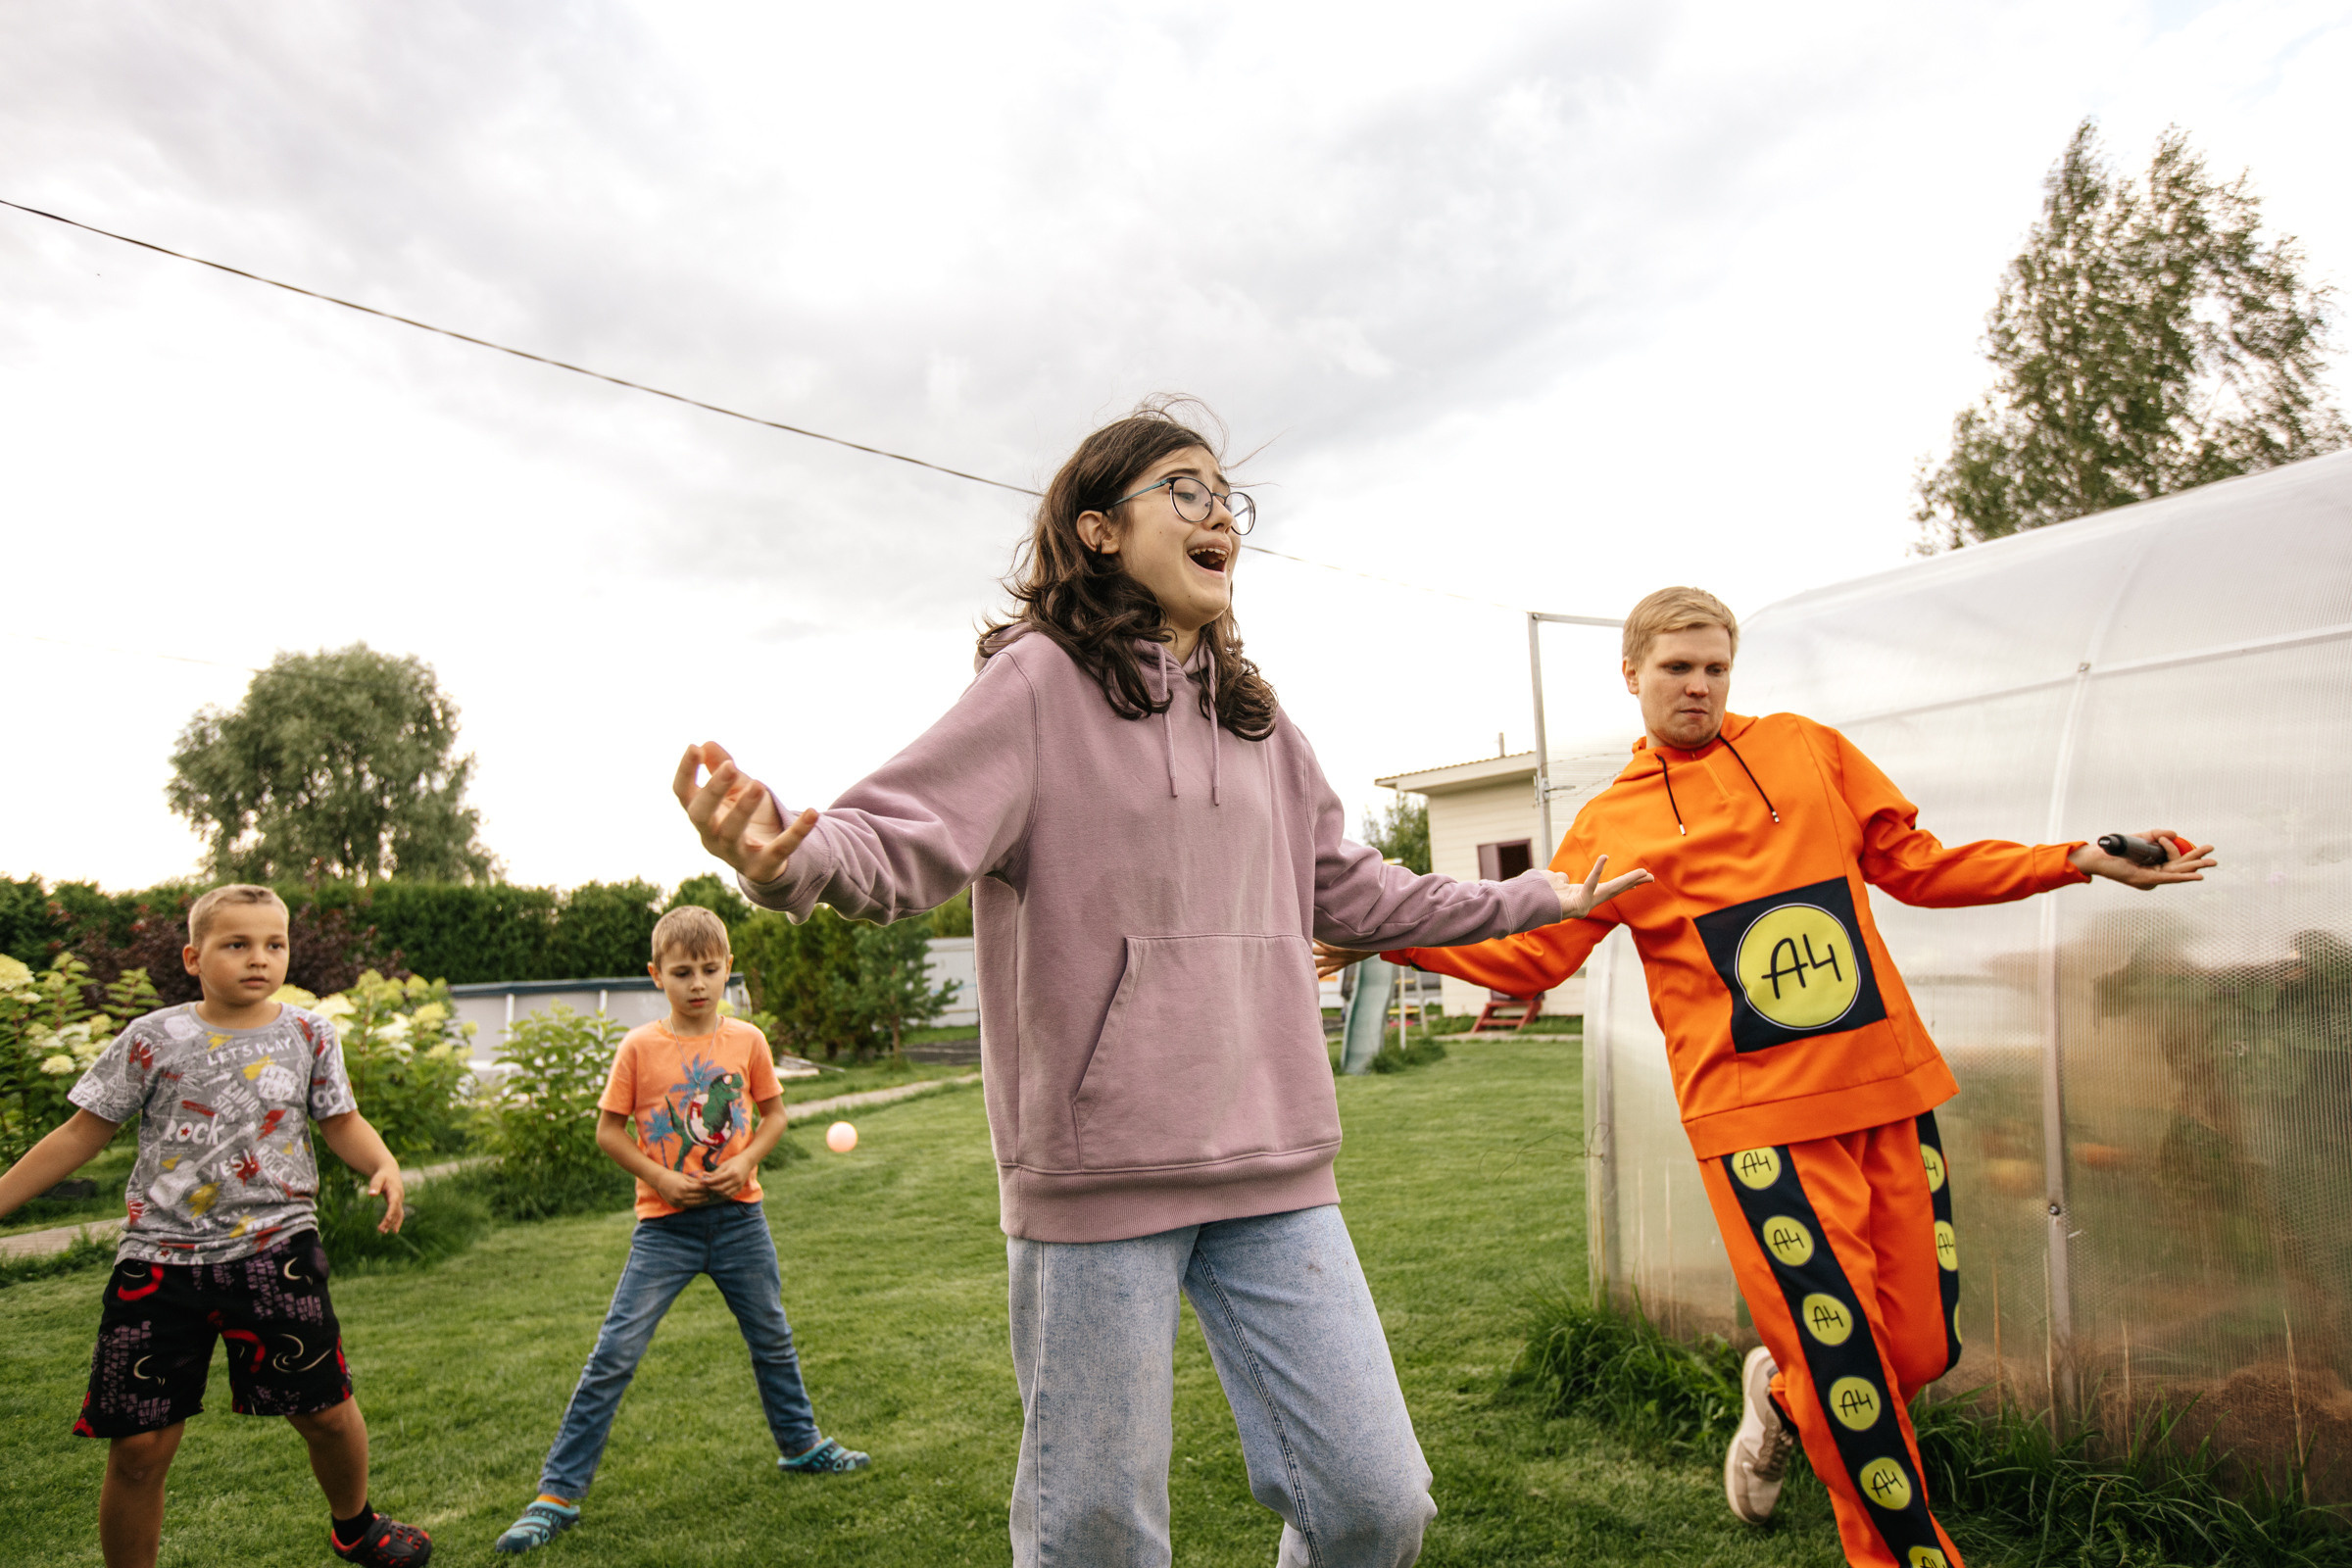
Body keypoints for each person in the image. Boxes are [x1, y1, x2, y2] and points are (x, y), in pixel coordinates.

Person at [669, 399, 1648, 1568]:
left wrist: (1541, 897)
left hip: (1274, 1157)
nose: (1217, 513)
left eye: (1225, 496)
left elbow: (1349, 885)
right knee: (1094, 1540)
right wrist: (794, 856)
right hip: (1101, 1173)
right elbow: (903, 832)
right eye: (1183, 489)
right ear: (1096, 531)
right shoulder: (1037, 687)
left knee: (1375, 1505)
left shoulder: (1260, 722)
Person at [1316, 586, 2217, 1568]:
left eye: (1714, 668)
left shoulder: (1806, 748)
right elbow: (1533, 957)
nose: (1698, 686)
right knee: (1851, 1375)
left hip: (1888, 1090)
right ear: (1632, 675)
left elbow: (1917, 865)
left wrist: (2076, 858)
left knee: (1918, 1351)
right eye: (1676, 669)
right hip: (1757, 1126)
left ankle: (1779, 1397)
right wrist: (1388, 941)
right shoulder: (1611, 826)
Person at [0, 884, 431, 1568]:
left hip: (278, 1250)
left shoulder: (309, 1033)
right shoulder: (152, 1038)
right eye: (237, 944)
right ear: (193, 957)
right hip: (159, 1262)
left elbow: (340, 1120)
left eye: (273, 944)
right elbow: (80, 1134)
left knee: (322, 1411)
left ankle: (356, 1525)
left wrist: (382, 1163)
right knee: (139, 1447)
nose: (258, 958)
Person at [492, 905, 865, 1555]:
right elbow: (608, 1131)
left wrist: (747, 1160)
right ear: (656, 975)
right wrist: (660, 1179)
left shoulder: (746, 1042)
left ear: (728, 972)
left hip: (741, 1219)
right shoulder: (639, 1048)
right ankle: (556, 1494)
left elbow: (773, 1117)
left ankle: (801, 1447)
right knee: (613, 1356)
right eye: (682, 971)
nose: (698, 982)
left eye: (711, 969)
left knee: (773, 1341)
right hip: (665, 1229)